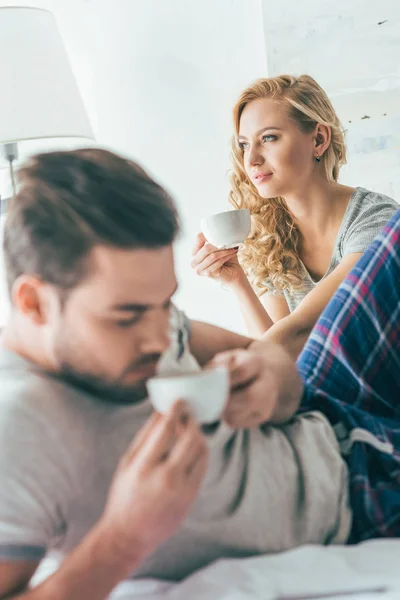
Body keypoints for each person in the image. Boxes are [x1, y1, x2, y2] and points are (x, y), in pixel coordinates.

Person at [0, 149, 351, 600]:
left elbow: (279, 367)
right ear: (33, 303)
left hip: (338, 424)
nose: (161, 338)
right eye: (125, 318)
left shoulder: (149, 317)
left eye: (165, 303)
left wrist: (272, 380)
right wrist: (126, 538)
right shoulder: (16, 429)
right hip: (355, 501)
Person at [191, 74, 398, 358]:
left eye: (268, 138)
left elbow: (299, 332)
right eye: (244, 144)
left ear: (319, 139)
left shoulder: (377, 219)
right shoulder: (269, 235)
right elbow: (282, 358)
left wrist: (227, 364)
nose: (251, 160)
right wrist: (236, 280)